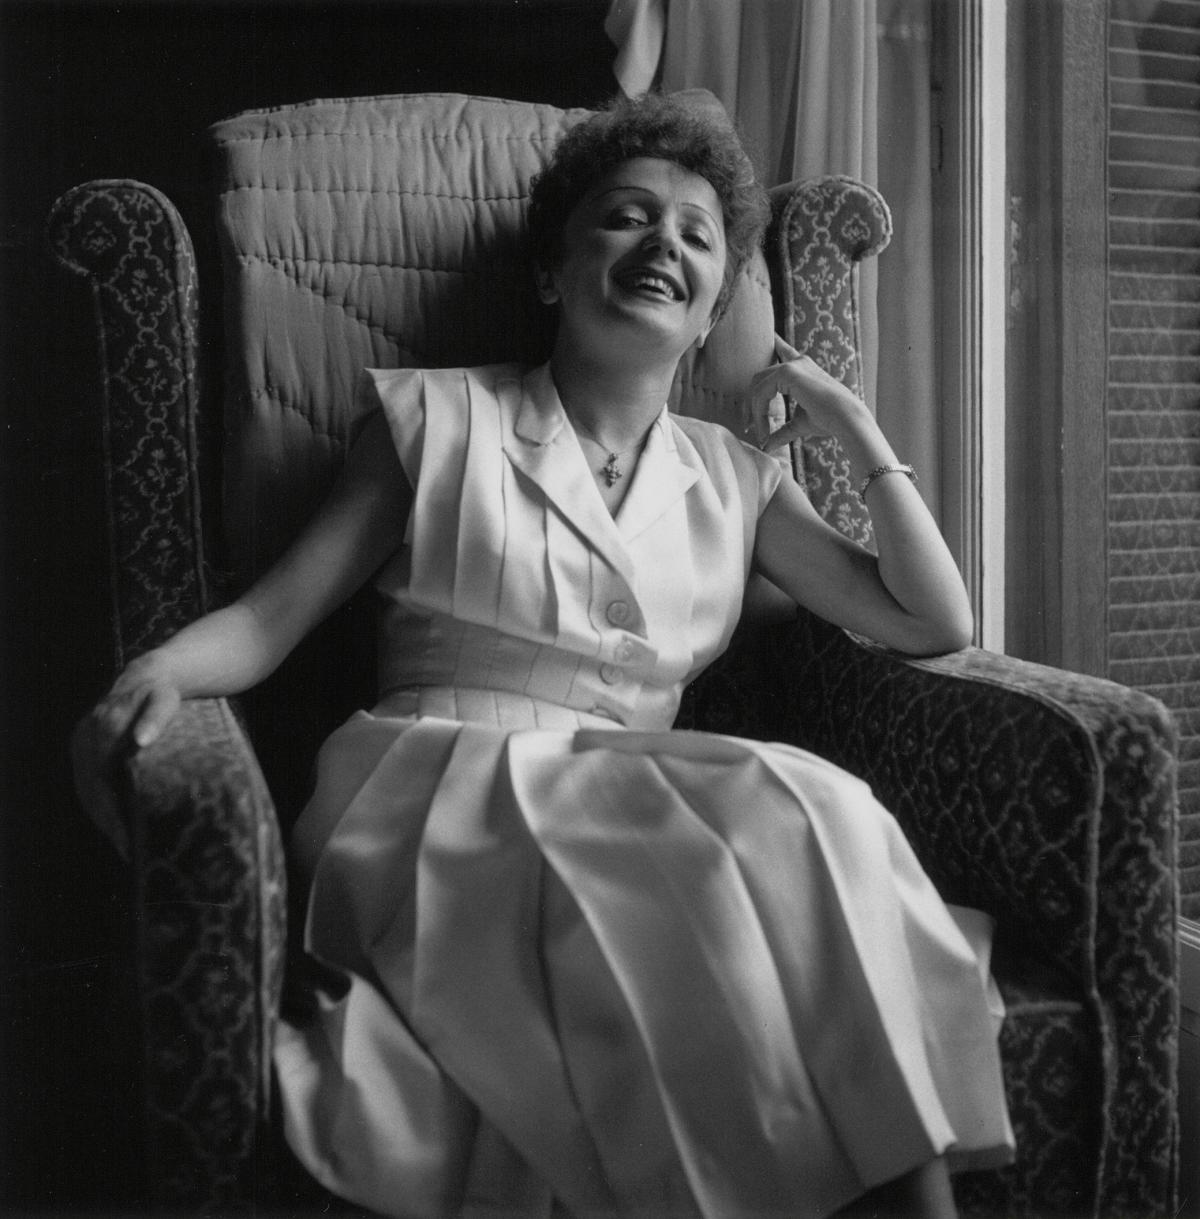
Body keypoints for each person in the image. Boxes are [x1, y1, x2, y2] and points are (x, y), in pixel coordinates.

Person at [74, 93, 1012, 1219]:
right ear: (552, 274)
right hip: (435, 789)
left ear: (713, 311)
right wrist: (159, 671)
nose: (663, 243)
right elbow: (271, 620)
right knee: (772, 812)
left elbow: (933, 621)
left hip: (637, 799)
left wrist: (853, 428)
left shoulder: (740, 480)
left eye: (698, 235)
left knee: (826, 807)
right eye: (625, 217)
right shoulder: (434, 420)